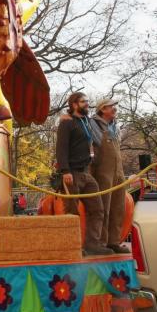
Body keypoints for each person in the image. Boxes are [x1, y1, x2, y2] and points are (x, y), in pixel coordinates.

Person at [55, 92, 110, 256]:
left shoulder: (86, 121)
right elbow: (61, 148)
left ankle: (93, 244)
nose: (87, 103)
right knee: (72, 212)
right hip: (72, 172)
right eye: (83, 101)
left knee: (98, 209)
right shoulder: (67, 123)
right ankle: (72, 247)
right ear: (73, 104)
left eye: (87, 100)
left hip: (87, 172)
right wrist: (65, 170)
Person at [90, 97, 131, 253]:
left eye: (115, 106)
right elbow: (93, 145)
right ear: (103, 109)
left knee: (118, 207)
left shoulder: (115, 126)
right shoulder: (94, 123)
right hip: (103, 170)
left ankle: (113, 241)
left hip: (118, 171)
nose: (115, 109)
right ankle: (100, 243)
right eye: (111, 106)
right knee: (104, 207)